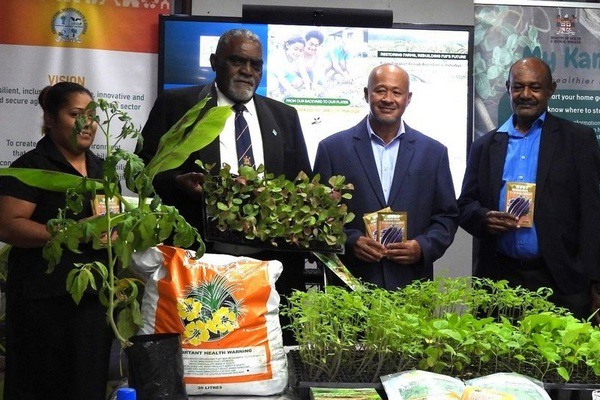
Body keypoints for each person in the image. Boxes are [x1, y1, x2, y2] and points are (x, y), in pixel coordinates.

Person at [136, 29, 312, 324]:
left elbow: (301, 183)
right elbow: (143, 172)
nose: (247, 71)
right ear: (214, 62)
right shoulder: (177, 105)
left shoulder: (284, 116)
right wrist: (176, 182)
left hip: (269, 264)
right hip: (200, 258)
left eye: (255, 64)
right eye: (237, 61)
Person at [457, 57, 600, 320]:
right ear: (508, 88)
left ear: (551, 89)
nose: (525, 94)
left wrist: (595, 284)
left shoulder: (578, 140)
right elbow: (465, 206)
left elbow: (592, 216)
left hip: (560, 282)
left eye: (534, 87)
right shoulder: (485, 146)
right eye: (518, 87)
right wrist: (484, 218)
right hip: (499, 281)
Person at [0, 82, 113, 399]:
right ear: (50, 119)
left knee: (87, 386)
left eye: (92, 115)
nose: (86, 123)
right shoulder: (32, 166)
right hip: (43, 303)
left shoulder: (101, 168)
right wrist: (72, 232)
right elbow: (7, 226)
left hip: (93, 301)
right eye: (75, 114)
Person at [313, 63, 459, 290]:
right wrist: (350, 241)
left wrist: (422, 247)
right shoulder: (332, 149)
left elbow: (447, 216)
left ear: (408, 98)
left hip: (411, 285)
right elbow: (317, 215)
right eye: (380, 90)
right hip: (351, 284)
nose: (388, 99)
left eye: (396, 92)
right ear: (366, 94)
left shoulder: (434, 153)